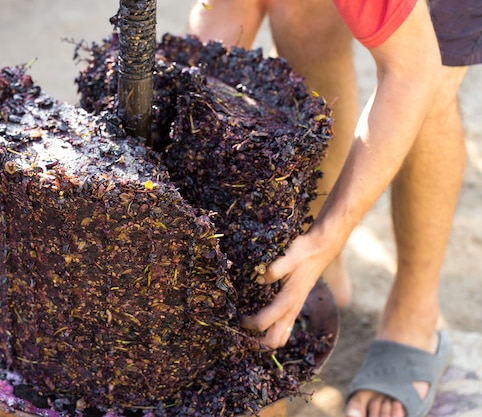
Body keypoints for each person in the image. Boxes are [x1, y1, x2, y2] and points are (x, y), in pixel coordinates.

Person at [187, 1, 481, 417]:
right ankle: (328, 272)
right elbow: (223, 17)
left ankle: (414, 315)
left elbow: (413, 70)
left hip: (421, 56)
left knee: (430, 77)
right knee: (301, 15)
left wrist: (327, 236)